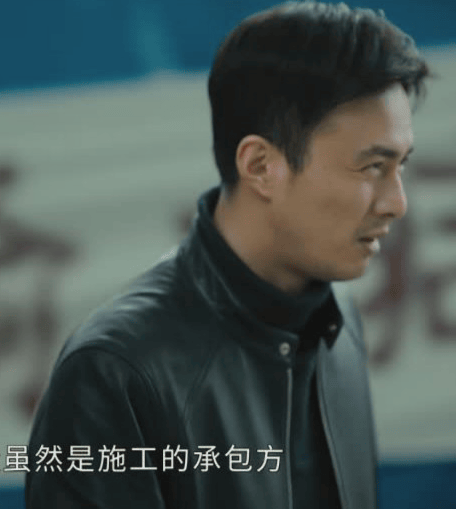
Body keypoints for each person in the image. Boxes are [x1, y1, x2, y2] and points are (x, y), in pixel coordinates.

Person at [25, 2, 431, 508]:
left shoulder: (338, 322)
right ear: (260, 166)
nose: (396, 203)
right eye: (372, 167)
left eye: (400, 166)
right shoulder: (116, 371)